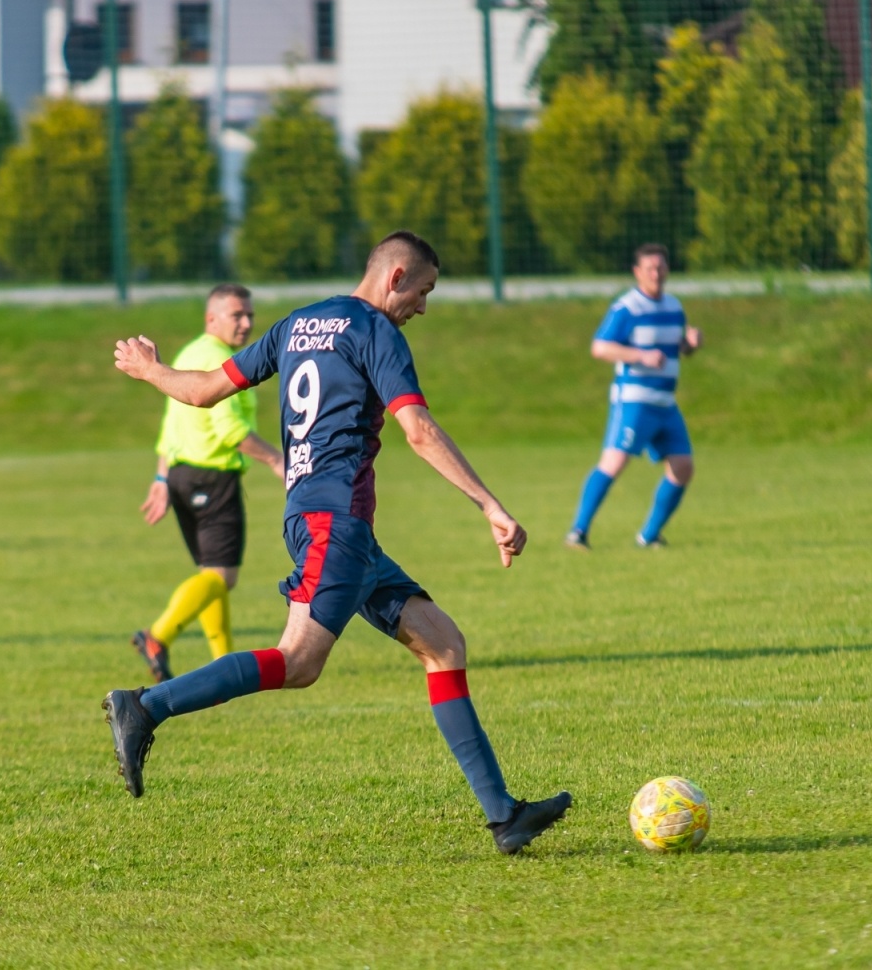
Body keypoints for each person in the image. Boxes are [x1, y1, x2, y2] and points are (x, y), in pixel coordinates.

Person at [105, 231, 570, 855]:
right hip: (336, 525)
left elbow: (201, 391)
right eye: (425, 291)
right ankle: (145, 706)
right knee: (298, 661)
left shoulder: (297, 325)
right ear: (396, 274)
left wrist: (149, 369)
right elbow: (420, 432)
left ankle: (504, 815)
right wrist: (490, 504)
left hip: (326, 524)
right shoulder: (377, 333)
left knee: (444, 645)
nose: (423, 308)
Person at [131, 283, 285, 683]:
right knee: (221, 577)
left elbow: (171, 423)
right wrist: (276, 459)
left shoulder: (189, 353)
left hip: (181, 474)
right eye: (237, 315)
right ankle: (157, 636)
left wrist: (162, 476)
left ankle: (222, 663)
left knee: (212, 572)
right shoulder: (220, 361)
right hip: (212, 477)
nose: (247, 323)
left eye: (250, 314)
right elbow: (230, 429)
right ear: (211, 318)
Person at [566, 244, 702, 551]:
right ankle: (578, 531)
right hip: (635, 401)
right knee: (613, 463)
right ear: (637, 272)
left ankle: (649, 535)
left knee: (683, 467)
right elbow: (600, 347)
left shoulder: (673, 306)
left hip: (666, 403)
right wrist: (639, 355)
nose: (656, 273)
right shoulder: (628, 308)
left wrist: (690, 345)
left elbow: (674, 349)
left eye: (661, 267)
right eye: (650, 268)